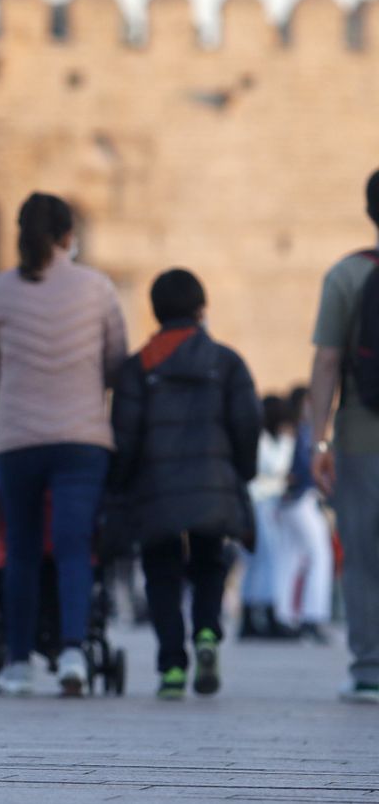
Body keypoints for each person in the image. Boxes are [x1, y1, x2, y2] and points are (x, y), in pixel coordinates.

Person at [0, 193, 127, 697]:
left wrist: (18, 382)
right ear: (67, 236)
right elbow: (117, 363)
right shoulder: (98, 288)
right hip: (82, 438)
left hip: (18, 440)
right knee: (77, 546)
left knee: (20, 550)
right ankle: (75, 651)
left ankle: (17, 661)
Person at [109, 269, 260, 699]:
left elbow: (125, 435)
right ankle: (208, 634)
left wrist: (119, 483)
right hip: (214, 481)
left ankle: (172, 667)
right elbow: (247, 424)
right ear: (201, 308)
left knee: (161, 571)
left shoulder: (138, 368)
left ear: (155, 312)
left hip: (155, 486)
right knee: (210, 561)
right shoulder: (226, 361)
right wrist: (241, 472)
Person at [308, 169, 379, 703]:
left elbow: (328, 361)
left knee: (362, 550)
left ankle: (369, 668)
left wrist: (320, 440)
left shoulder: (347, 275)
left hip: (361, 432)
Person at [277, 386, 334, 644]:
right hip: (301, 500)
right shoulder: (306, 432)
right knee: (320, 556)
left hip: (291, 502)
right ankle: (313, 615)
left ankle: (286, 614)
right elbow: (304, 467)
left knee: (292, 558)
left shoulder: (298, 431)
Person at [239, 395, 294, 639]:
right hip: (257, 503)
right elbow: (272, 470)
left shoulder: (280, 440)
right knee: (259, 561)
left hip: (271, 505)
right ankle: (255, 614)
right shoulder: (258, 440)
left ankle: (264, 612)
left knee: (269, 562)